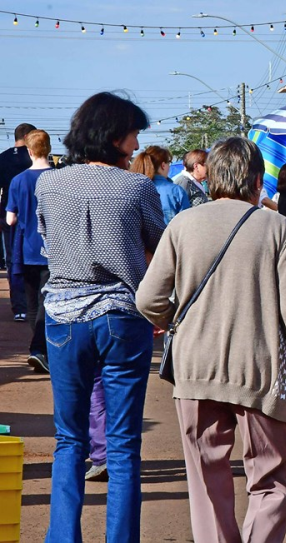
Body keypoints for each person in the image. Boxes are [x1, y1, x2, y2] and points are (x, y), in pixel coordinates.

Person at [136, 137, 286, 543]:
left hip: (194, 370)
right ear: (257, 180)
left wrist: (178, 324)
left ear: (213, 178)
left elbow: (147, 299)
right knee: (272, 478)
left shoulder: (183, 224)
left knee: (206, 481)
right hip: (261, 370)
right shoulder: (276, 226)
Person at [36, 91, 165, 542]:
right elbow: (159, 247)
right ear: (114, 135)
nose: (135, 143)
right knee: (124, 443)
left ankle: (61, 537)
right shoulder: (136, 187)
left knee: (69, 439)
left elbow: (48, 243)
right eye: (132, 133)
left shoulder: (48, 184)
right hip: (122, 316)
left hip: (64, 314)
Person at [5, 129, 52, 373]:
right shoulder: (58, 177)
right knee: (49, 300)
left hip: (27, 246)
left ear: (30, 151)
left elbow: (10, 219)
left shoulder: (19, 180)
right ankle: (41, 349)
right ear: (49, 149)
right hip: (54, 247)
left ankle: (39, 349)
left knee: (32, 302)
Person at [0, 122, 36, 321]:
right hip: (34, 215)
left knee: (13, 260)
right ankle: (35, 304)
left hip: (8, 214)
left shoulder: (3, 158)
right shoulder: (34, 158)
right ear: (30, 136)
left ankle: (20, 307)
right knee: (37, 259)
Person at [130, 146, 191, 224]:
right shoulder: (176, 191)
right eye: (169, 163)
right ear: (163, 165)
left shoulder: (134, 188)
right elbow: (185, 223)